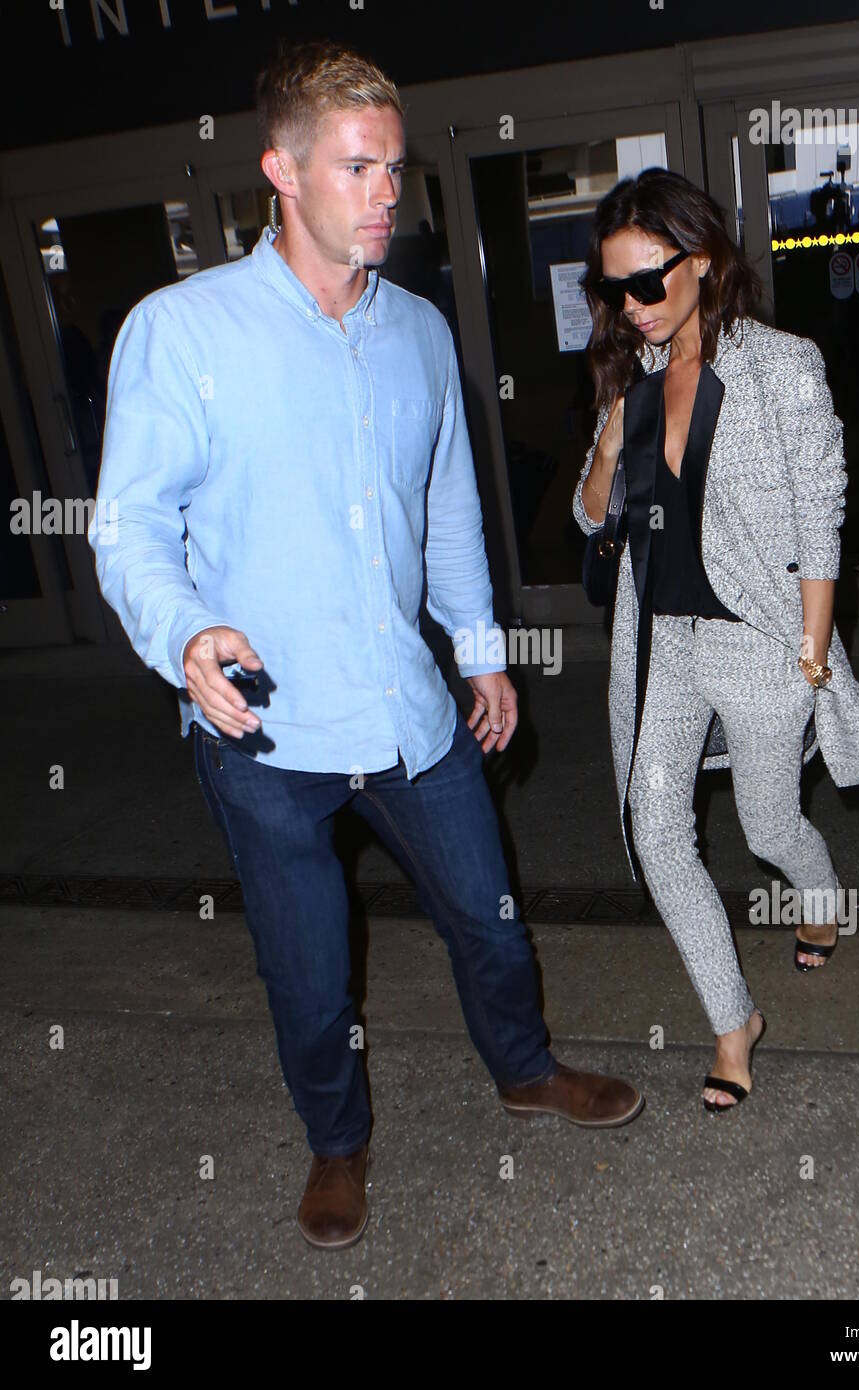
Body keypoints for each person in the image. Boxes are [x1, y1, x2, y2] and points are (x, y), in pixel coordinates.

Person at [88, 39, 642, 1252]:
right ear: (279, 170)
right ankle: (337, 1145)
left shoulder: (420, 333)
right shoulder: (183, 332)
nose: (388, 192)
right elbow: (130, 525)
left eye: (394, 169)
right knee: (309, 969)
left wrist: (481, 647)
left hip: (407, 708)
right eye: (358, 167)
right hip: (264, 723)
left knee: (490, 918)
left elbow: (443, 503)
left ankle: (523, 1068)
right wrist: (183, 631)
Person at [573, 168, 859, 1112]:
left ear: (705, 262)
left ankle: (818, 891)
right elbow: (590, 515)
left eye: (649, 282)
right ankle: (733, 1021)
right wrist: (607, 443)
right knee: (656, 827)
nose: (631, 306)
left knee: (767, 826)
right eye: (613, 289)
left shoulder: (780, 363)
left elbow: (821, 511)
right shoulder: (632, 382)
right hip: (664, 644)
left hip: (760, 644)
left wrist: (812, 653)